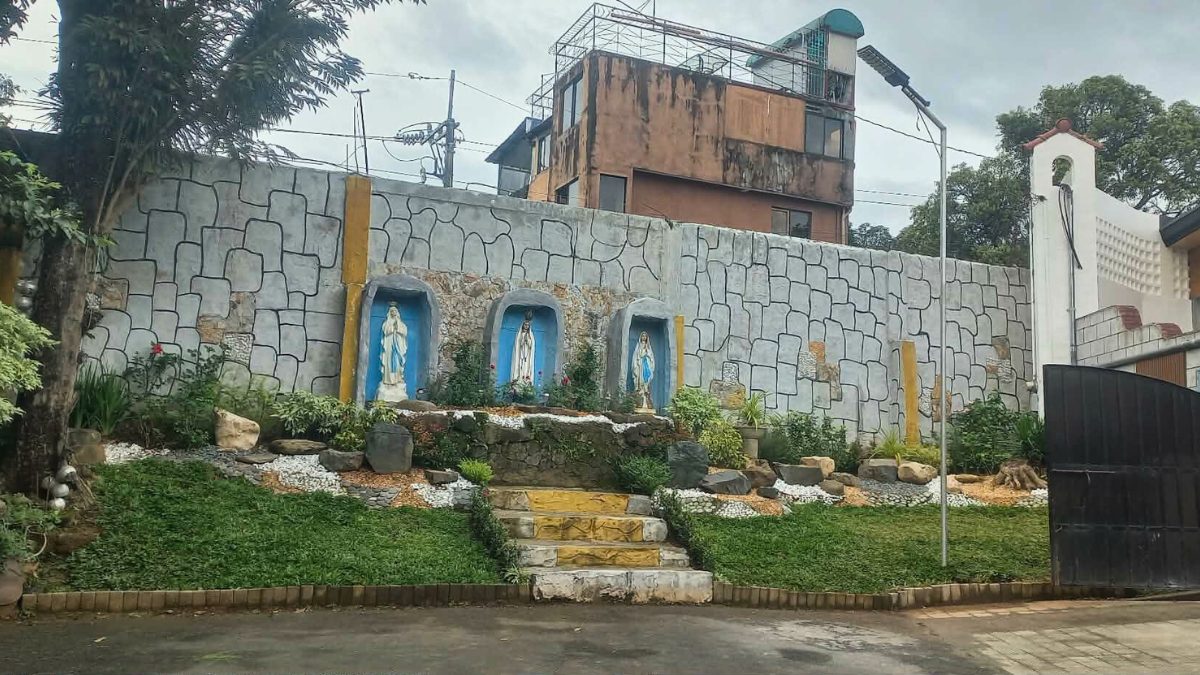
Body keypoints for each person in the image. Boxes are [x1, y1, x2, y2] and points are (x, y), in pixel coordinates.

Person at [377, 302, 408, 402]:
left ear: (397, 313)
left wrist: (397, 327)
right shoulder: (386, 323)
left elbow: (404, 332)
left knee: (398, 365)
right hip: (389, 348)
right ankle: (388, 383)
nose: (393, 313)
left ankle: (397, 381)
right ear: (389, 313)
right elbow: (386, 332)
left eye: (395, 311)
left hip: (398, 348)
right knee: (389, 365)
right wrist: (392, 327)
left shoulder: (401, 324)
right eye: (392, 311)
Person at [632, 331, 655, 412]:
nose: (644, 338)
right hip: (640, 365)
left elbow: (651, 357)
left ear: (647, 338)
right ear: (641, 337)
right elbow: (636, 356)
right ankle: (640, 395)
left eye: (645, 336)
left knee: (647, 380)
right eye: (643, 336)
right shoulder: (638, 346)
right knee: (640, 380)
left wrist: (647, 354)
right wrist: (637, 362)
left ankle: (646, 394)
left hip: (646, 364)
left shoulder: (648, 347)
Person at [512, 310, 536, 384]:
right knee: (520, 367)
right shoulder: (519, 334)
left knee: (526, 368)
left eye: (527, 325)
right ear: (523, 325)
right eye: (525, 325)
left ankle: (526, 381)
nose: (526, 326)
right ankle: (517, 381)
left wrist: (528, 341)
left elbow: (532, 345)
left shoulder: (530, 335)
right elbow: (518, 344)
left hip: (527, 356)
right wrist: (522, 340)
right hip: (521, 355)